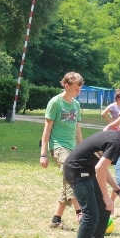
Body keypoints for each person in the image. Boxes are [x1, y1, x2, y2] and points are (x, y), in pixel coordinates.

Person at [40, 72, 84, 230]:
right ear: (66, 85)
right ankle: (80, 213)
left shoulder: (76, 105)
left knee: (68, 182)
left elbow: (77, 130)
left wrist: (83, 150)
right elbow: (46, 130)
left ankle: (56, 219)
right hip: (58, 147)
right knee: (72, 178)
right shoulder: (55, 103)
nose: (79, 91)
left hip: (73, 148)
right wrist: (43, 154)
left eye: (80, 88)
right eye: (76, 88)